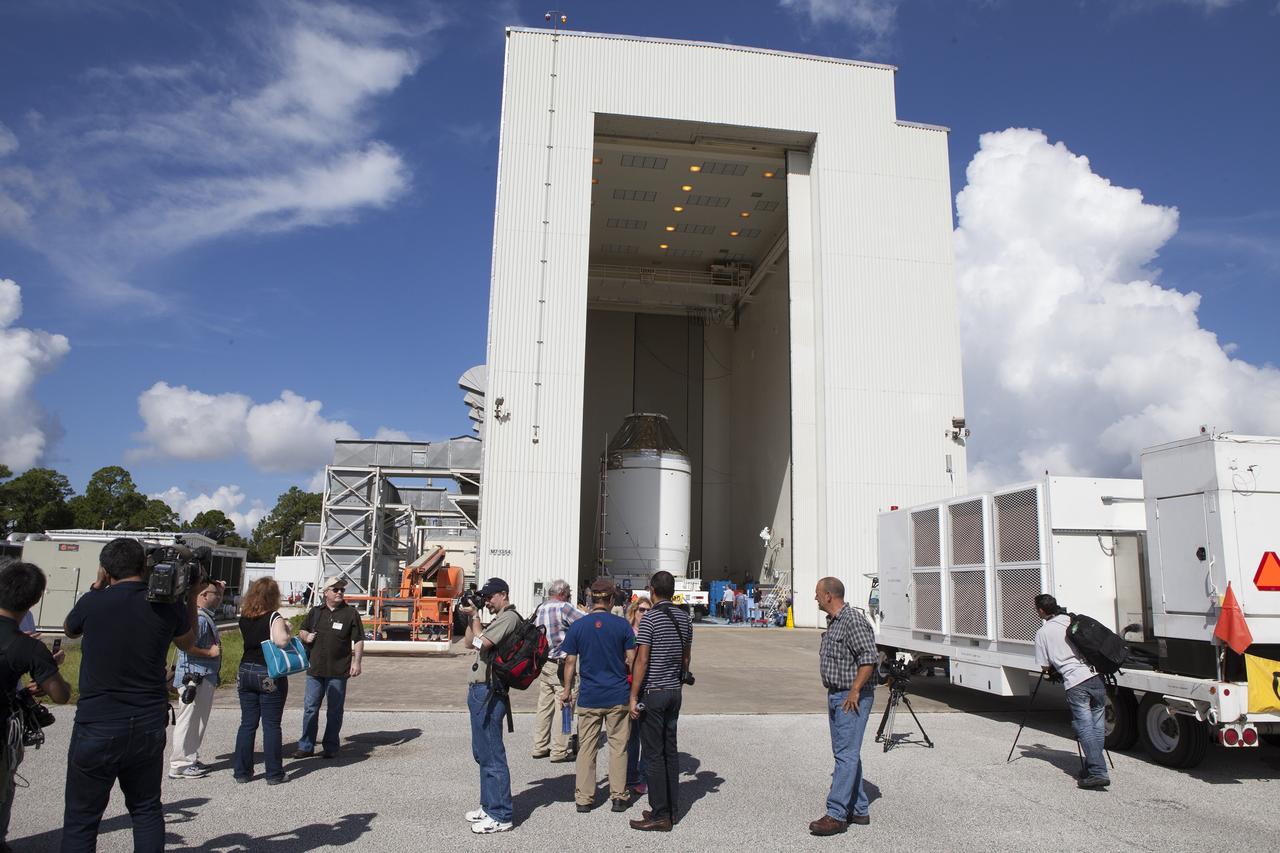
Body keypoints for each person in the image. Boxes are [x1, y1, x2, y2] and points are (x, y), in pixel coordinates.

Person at [61, 538, 198, 853]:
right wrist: (189, 597)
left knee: (82, 819)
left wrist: (97, 587)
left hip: (97, 722)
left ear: (106, 570)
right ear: (144, 566)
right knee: (146, 809)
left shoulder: (92, 602)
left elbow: (69, 629)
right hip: (147, 721)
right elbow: (189, 643)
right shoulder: (166, 605)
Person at [2, 562, 71, 851]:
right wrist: (47, 669)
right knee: (3, 790)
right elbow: (60, 695)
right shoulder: (27, 646)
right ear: (36, 598)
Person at [560, 578, 636, 813]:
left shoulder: (578, 626)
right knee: (618, 747)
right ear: (612, 599)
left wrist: (566, 690)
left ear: (591, 600)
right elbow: (631, 659)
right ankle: (619, 796)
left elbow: (570, 661)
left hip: (590, 696)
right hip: (617, 694)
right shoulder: (622, 626)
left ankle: (584, 799)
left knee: (587, 748)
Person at [810, 576, 878, 837]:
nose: (815, 598)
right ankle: (859, 808)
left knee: (845, 755)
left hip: (851, 698)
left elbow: (868, 657)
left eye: (818, 593)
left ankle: (836, 814)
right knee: (847, 752)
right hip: (837, 695)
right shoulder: (835, 622)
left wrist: (855, 690)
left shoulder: (852, 620)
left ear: (829, 596)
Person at [628, 570, 692, 832]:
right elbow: (686, 658)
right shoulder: (685, 618)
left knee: (653, 754)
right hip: (674, 692)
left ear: (652, 591)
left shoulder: (651, 618)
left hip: (653, 692)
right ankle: (671, 808)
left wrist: (633, 695)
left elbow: (642, 659)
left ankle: (660, 814)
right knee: (670, 750)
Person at [460, 577, 522, 834]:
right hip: (480, 689)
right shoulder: (497, 619)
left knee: (492, 753)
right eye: (484, 597)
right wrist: (471, 617)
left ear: (503, 595)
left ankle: (501, 814)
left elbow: (482, 643)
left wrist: (476, 617)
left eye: (490, 596)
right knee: (482, 752)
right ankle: (488, 806)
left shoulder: (509, 618)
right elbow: (468, 642)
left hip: (490, 690)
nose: (486, 601)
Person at [1034, 593, 1110, 790]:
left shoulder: (1043, 632)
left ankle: (1097, 772)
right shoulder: (1072, 620)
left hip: (1076, 682)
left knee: (1084, 727)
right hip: (1096, 677)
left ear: (1041, 611)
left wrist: (1054, 671)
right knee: (1097, 726)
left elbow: (1044, 666)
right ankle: (1093, 765)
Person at [293, 576, 364, 760]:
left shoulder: (350, 613)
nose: (340, 592)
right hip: (315, 669)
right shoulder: (316, 612)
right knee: (310, 708)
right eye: (335, 589)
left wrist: (357, 662)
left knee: (334, 710)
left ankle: (331, 746)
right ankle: (306, 746)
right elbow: (302, 630)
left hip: (338, 670)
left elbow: (358, 639)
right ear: (326, 593)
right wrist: (305, 636)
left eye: (342, 589)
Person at [234, 578, 294, 785]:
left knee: (248, 723)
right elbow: (281, 641)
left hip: (245, 670)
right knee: (271, 725)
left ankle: (242, 771)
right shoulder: (273, 617)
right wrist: (287, 628)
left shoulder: (245, 616)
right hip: (267, 672)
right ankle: (274, 773)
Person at [168, 579, 225, 779]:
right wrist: (209, 653)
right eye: (214, 594)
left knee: (197, 720)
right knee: (188, 720)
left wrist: (220, 589)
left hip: (203, 676)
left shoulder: (204, 616)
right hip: (195, 677)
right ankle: (180, 764)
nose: (218, 598)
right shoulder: (199, 620)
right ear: (203, 596)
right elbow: (185, 646)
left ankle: (190, 757)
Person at [530, 579, 582, 763]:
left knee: (544, 706)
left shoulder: (540, 608)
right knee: (565, 704)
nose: (569, 596)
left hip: (545, 663)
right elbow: (586, 622)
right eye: (568, 593)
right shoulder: (564, 608)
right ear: (563, 593)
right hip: (563, 665)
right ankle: (560, 750)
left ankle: (540, 746)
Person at [624, 597, 651, 796]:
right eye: (642, 610)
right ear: (634, 611)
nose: (645, 614)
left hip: (646, 688)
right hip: (628, 687)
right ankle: (631, 776)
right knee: (631, 736)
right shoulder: (627, 632)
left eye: (648, 611)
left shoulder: (651, 633)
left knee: (646, 736)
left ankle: (641, 775)